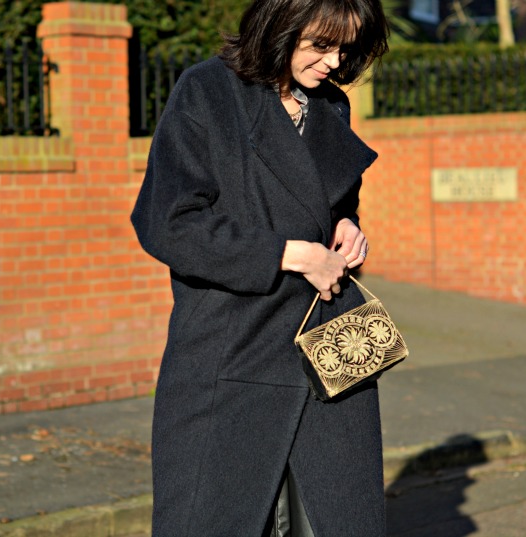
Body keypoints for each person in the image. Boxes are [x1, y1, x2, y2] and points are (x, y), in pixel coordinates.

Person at [131, 0, 390, 535]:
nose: (333, 62)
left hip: (327, 351)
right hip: (232, 358)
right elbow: (167, 221)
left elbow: (327, 202)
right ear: (281, 25)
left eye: (345, 48)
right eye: (321, 46)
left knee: (337, 518)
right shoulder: (207, 92)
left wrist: (347, 226)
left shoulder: (330, 104)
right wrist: (291, 254)